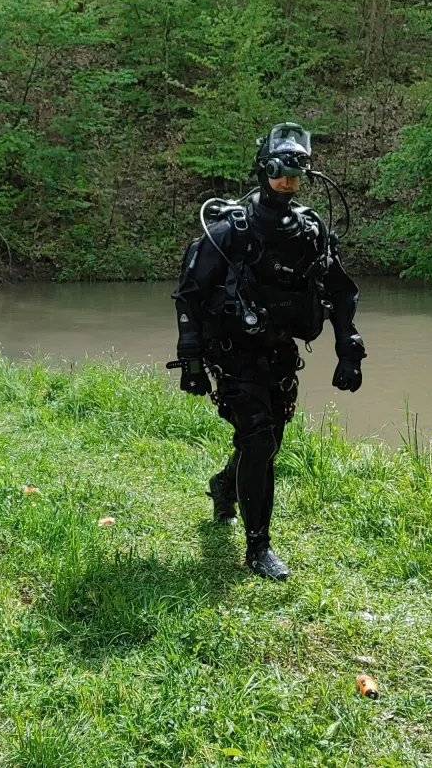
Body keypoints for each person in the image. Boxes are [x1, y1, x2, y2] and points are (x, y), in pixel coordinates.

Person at [170, 123, 365, 580]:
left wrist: (349, 348)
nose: (289, 183)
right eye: (281, 173)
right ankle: (259, 547)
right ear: (263, 170)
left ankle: (224, 484)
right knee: (259, 438)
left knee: (267, 440)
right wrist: (191, 360)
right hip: (232, 351)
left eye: (297, 176)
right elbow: (189, 295)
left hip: (279, 350)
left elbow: (340, 291)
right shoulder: (230, 229)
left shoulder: (310, 231)